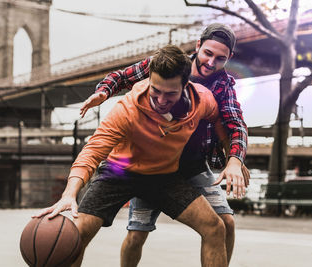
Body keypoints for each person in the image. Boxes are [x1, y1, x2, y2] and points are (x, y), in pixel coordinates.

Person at [34, 45, 233, 267]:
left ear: (186, 86)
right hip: (119, 173)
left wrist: (232, 158)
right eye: (155, 90)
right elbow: (92, 152)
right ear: (149, 80)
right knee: (77, 234)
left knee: (215, 228)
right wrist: (69, 194)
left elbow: (219, 121)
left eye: (170, 94)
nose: (160, 100)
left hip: (164, 177)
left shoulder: (202, 100)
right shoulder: (128, 109)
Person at [80, 23, 248, 266]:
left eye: (220, 58)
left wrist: (235, 160)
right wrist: (104, 92)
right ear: (198, 46)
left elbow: (234, 124)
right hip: (151, 161)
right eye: (208, 54)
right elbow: (119, 77)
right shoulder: (167, 65)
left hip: (191, 164)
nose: (211, 63)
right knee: (137, 234)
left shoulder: (223, 86)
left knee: (224, 224)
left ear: (229, 58)